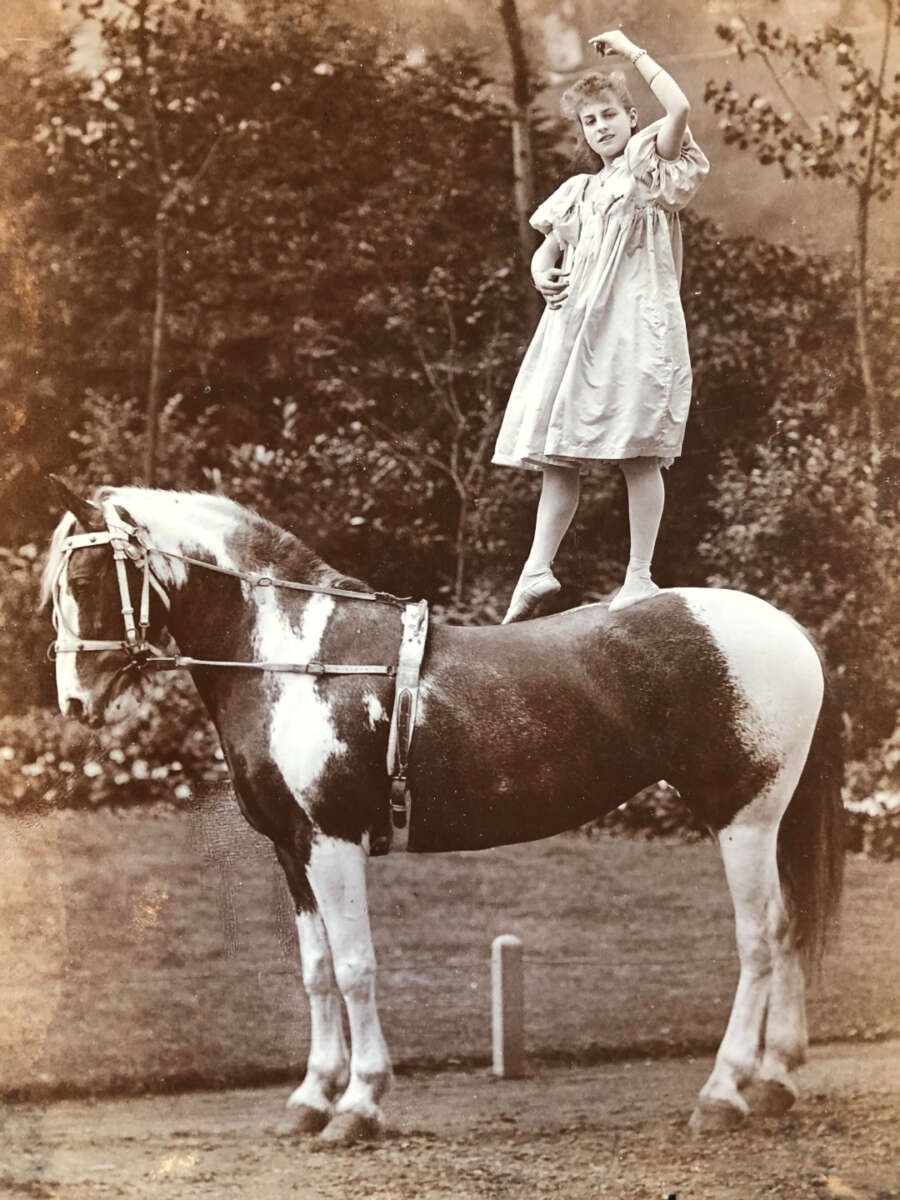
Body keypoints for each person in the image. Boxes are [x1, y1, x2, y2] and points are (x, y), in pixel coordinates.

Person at [493, 30, 709, 623]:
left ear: (630, 117)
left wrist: (632, 52)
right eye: (589, 121)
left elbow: (679, 108)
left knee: (639, 451)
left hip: (634, 324)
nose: (600, 127)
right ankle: (537, 568)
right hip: (577, 329)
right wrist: (542, 273)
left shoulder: (647, 167)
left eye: (609, 114)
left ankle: (639, 575)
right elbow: (548, 249)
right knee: (558, 453)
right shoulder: (580, 190)